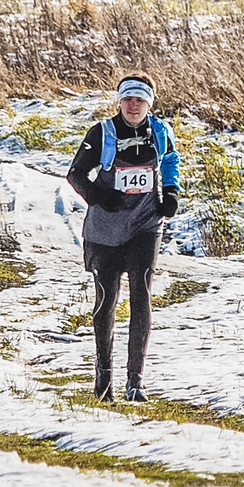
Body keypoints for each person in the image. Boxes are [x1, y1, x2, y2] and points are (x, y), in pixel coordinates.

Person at [65, 74, 180, 401]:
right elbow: (75, 174)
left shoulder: (159, 132)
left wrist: (171, 191)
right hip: (105, 230)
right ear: (119, 101)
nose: (133, 105)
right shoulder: (102, 133)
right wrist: (98, 196)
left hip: (145, 224)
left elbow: (171, 159)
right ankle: (103, 384)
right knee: (106, 302)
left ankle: (135, 384)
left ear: (149, 104)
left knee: (141, 297)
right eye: (128, 99)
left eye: (140, 100)